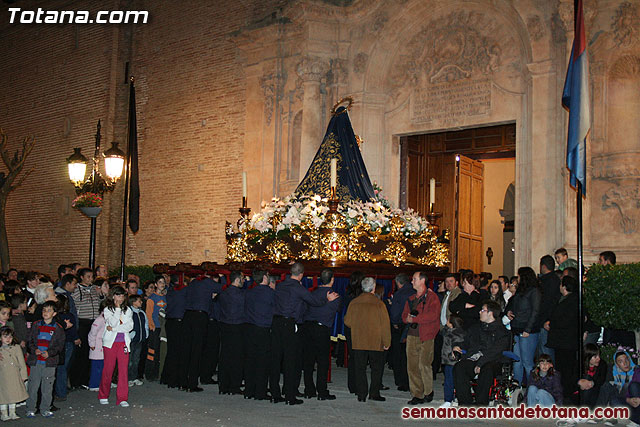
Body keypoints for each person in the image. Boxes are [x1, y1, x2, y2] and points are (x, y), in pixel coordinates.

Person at [269, 262, 338, 405]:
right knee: (290, 360)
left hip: (275, 322)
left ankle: (275, 393)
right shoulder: (298, 288)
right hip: (289, 324)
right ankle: (289, 395)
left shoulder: (280, 285)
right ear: (301, 274)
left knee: (275, 359)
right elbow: (314, 301)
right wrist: (327, 298)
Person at [453, 300, 510, 406]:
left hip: (492, 360)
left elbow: (495, 351)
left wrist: (481, 363)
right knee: (459, 367)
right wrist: (457, 346)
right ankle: (465, 402)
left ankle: (481, 403)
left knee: (487, 369)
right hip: (475, 357)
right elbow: (466, 342)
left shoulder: (502, 332)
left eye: (483, 310)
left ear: (490, 313)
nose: (480, 312)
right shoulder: (476, 328)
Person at [344, 277, 391, 402]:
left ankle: (361, 394)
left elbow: (347, 321)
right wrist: (387, 342)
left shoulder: (354, 302)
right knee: (376, 368)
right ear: (373, 288)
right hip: (376, 341)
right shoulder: (379, 304)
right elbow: (385, 325)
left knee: (360, 368)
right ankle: (374, 393)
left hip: (359, 340)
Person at [302, 268, 341, 401]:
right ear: (332, 280)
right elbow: (336, 310)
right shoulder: (334, 296)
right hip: (322, 329)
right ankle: (322, 391)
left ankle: (309, 389)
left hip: (307, 328)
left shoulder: (311, 294)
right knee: (323, 362)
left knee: (308, 361)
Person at [402, 271, 441, 405]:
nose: (412, 281)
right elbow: (404, 315)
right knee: (412, 366)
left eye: (414, 279)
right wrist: (407, 319)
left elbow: (433, 315)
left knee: (424, 364)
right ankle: (417, 394)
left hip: (426, 336)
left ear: (422, 281)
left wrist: (416, 318)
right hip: (412, 336)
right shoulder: (411, 298)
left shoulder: (432, 297)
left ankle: (428, 391)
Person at [181, 274, 222, 392]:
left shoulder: (194, 283)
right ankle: (192, 383)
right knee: (196, 350)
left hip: (188, 315)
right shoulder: (207, 282)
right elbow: (222, 287)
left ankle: (183, 381)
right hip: (199, 316)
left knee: (186, 349)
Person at [25, 300, 65, 418]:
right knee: (33, 386)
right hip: (36, 361)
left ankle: (45, 408)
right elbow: (30, 340)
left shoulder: (58, 328)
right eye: (44, 310)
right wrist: (34, 350)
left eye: (49, 310)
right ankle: (31, 408)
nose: (45, 312)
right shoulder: (36, 324)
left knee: (47, 387)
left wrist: (50, 353)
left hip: (49, 362)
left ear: (54, 313)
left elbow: (59, 345)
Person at [98, 286, 133, 407]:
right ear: (113, 296)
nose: (121, 298)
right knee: (108, 369)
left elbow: (129, 327)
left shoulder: (128, 310)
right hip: (110, 343)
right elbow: (112, 321)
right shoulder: (108, 309)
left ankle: (122, 397)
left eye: (123, 295)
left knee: (123, 371)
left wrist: (114, 328)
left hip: (123, 343)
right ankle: (103, 394)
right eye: (118, 295)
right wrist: (117, 311)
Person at [505, 266, 541, 385]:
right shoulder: (520, 291)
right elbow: (511, 304)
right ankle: (517, 387)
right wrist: (508, 312)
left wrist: (528, 329)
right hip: (517, 328)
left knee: (527, 362)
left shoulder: (534, 291)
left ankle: (532, 388)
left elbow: (535, 311)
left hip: (527, 330)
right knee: (517, 360)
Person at [546, 275, 580, 402]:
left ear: (564, 286)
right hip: (562, 340)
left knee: (566, 369)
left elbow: (565, 319)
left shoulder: (571, 301)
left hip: (566, 340)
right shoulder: (564, 299)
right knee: (562, 367)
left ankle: (567, 394)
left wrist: (552, 324)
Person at [243, 268, 275, 400]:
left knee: (250, 359)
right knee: (262, 361)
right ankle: (260, 392)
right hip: (263, 328)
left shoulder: (249, 292)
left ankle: (249, 390)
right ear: (265, 278)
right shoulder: (270, 293)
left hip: (250, 328)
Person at [70, 267, 100, 389]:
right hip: (83, 323)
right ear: (81, 277)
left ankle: (87, 379)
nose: (90, 279)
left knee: (91, 352)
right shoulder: (76, 290)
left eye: (92, 276)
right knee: (81, 353)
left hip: (94, 323)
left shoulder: (94, 289)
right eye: (88, 276)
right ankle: (76, 381)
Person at [218, 270, 246, 395]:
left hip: (225, 325)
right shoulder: (240, 295)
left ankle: (223, 385)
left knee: (225, 356)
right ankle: (234, 385)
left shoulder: (224, 293)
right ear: (237, 279)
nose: (244, 281)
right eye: (243, 278)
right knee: (236, 357)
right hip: (237, 326)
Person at [389, 273, 416, 392]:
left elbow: (395, 312)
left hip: (400, 326)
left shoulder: (399, 294)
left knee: (399, 354)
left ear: (398, 283)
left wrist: (394, 322)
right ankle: (410, 380)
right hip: (413, 325)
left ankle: (400, 380)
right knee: (410, 354)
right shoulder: (415, 292)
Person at [162, 275, 187, 388]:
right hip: (178, 322)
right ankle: (174, 379)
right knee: (178, 352)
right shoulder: (182, 292)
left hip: (170, 322)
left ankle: (166, 377)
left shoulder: (170, 292)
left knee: (172, 351)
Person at [342, 271, 364, 394]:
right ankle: (358, 385)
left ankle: (352, 385)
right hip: (359, 327)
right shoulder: (361, 296)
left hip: (350, 327)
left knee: (353, 356)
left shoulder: (348, 294)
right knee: (359, 357)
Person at [54, 293, 78, 401]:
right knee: (63, 369)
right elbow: (73, 331)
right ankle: (61, 390)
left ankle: (60, 392)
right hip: (69, 344)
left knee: (61, 369)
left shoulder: (58, 318)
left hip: (64, 344)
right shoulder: (69, 316)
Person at [0, 327, 27, 421]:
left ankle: (12, 412)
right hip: (3, 376)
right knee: (3, 395)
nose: (8, 339)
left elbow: (21, 362)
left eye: (10, 337)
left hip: (14, 374)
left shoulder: (16, 347)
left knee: (14, 394)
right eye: (5, 336)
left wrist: (23, 376)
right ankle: (4, 413)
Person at [537, 255, 560, 362]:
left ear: (543, 266)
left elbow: (546, 303)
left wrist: (544, 320)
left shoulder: (547, 281)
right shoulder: (555, 279)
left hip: (545, 321)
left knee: (545, 351)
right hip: (550, 320)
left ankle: (549, 376)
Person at [439, 315, 465, 408]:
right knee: (449, 379)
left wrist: (455, 350)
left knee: (449, 381)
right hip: (447, 360)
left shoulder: (457, 334)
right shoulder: (448, 331)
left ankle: (448, 400)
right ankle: (452, 398)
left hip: (452, 361)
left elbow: (457, 343)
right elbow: (442, 332)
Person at [145, 275, 167, 382]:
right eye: (160, 282)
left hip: (162, 328)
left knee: (159, 351)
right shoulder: (152, 298)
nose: (162, 284)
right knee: (152, 351)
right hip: (155, 327)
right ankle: (150, 373)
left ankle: (158, 372)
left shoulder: (164, 297)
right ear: (155, 284)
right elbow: (148, 314)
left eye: (163, 282)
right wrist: (151, 325)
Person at [579, 343, 608, 408]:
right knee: (586, 378)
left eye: (599, 356)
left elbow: (601, 380)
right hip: (579, 393)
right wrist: (579, 382)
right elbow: (571, 379)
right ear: (588, 357)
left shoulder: (602, 364)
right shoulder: (580, 364)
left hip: (595, 392)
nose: (598, 359)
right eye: (595, 357)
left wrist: (592, 383)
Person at [128, 294, 149, 387]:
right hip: (132, 340)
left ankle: (135, 377)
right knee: (130, 360)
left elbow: (145, 324)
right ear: (133, 302)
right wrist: (130, 334)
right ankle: (128, 378)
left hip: (140, 339)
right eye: (139, 301)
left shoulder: (141, 313)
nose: (141, 302)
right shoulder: (129, 312)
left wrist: (146, 333)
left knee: (136, 359)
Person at [87, 302, 106, 391]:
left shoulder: (107, 319)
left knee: (103, 366)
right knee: (97, 367)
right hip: (97, 347)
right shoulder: (99, 320)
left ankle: (101, 383)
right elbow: (92, 333)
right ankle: (94, 384)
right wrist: (92, 344)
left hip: (104, 346)